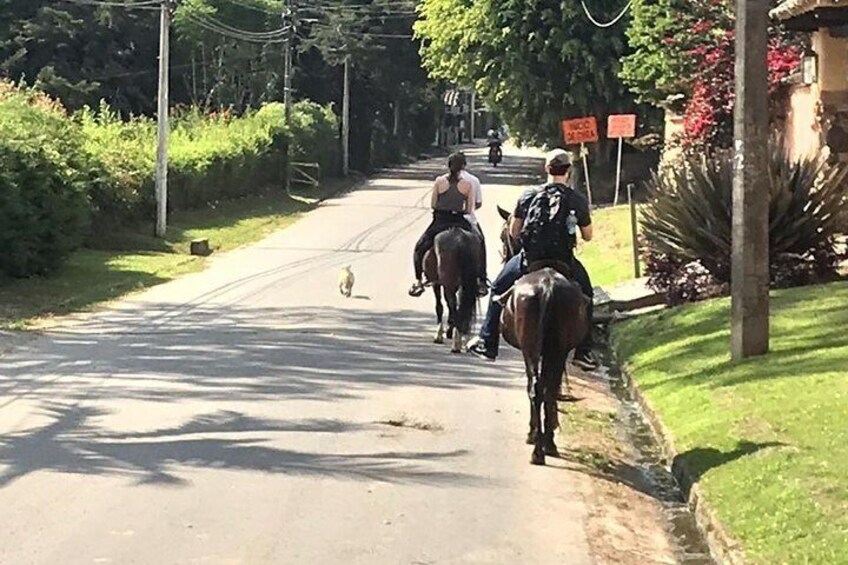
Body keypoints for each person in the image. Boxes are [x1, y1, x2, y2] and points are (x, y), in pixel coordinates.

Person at [468, 148, 599, 370]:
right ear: (568, 171)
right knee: (587, 295)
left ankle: (487, 341)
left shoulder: (528, 195)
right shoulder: (577, 198)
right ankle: (584, 351)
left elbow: (514, 233)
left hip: (530, 260)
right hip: (564, 262)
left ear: (546, 169)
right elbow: (587, 236)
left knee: (498, 288)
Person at [409, 152, 487, 297]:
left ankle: (418, 281)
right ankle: (481, 280)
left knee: (419, 248)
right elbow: (469, 209)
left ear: (448, 165)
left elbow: (433, 204)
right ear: (463, 166)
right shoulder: (468, 184)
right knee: (480, 243)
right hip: (460, 220)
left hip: (440, 220)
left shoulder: (439, 181)